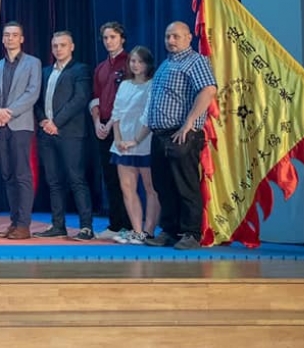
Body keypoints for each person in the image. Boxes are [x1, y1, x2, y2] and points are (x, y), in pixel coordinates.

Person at [142, 22, 217, 250]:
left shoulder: (195, 61)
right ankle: (169, 230)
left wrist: (189, 123)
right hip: (160, 135)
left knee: (185, 185)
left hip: (181, 134)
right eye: (168, 36)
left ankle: (191, 233)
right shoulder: (166, 63)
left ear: (188, 37)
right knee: (163, 186)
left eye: (176, 36)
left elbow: (209, 90)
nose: (171, 40)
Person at [33, 30, 95, 240]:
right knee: (54, 181)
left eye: (63, 45)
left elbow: (80, 99)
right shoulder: (45, 72)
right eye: (55, 46)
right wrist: (43, 121)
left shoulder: (80, 70)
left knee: (76, 179)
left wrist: (56, 123)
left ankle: (86, 227)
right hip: (46, 133)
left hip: (70, 133)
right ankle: (58, 225)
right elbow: (37, 101)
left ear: (72, 47)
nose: (58, 49)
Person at [0, 22, 42, 240]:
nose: (10, 38)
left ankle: (24, 224)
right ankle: (14, 223)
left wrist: (8, 112)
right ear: (3, 39)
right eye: (7, 35)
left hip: (20, 124)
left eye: (14, 35)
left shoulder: (33, 63)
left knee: (22, 174)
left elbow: (32, 93)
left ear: (21, 39)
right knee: (8, 175)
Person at [108, 46, 160, 244]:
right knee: (127, 188)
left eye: (140, 61)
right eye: (132, 61)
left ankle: (149, 231)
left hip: (144, 142)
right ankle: (137, 231)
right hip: (123, 143)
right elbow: (116, 113)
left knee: (150, 188)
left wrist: (136, 140)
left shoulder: (152, 85)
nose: (135, 65)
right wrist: (118, 139)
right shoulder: (124, 85)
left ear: (147, 64)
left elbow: (150, 115)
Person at [89, 22, 131, 240]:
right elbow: (95, 98)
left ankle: (130, 225)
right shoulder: (101, 67)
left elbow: (131, 98)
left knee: (127, 179)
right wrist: (98, 122)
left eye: (113, 37)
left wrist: (113, 122)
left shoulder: (131, 63)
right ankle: (115, 224)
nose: (108, 41)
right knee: (110, 178)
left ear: (122, 39)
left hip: (125, 127)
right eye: (105, 38)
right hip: (104, 127)